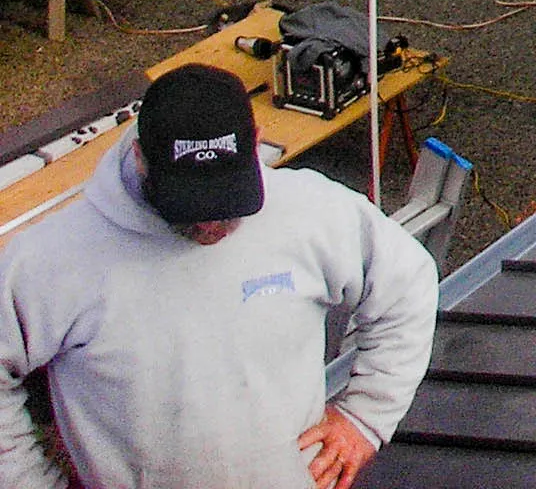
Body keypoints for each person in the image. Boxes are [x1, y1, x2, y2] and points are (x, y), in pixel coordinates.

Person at [0, 65, 438, 489]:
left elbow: (408, 284)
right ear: (140, 158)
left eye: (228, 203)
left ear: (256, 146)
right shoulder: (51, 258)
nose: (211, 226)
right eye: (189, 205)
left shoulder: (311, 211)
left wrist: (365, 417)